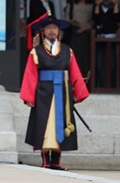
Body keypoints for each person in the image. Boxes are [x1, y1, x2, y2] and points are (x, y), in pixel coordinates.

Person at [20, 14, 89, 171]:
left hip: (63, 92)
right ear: (43, 32)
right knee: (45, 126)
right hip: (43, 92)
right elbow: (30, 74)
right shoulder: (36, 52)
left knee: (62, 124)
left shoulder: (67, 51)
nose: (52, 31)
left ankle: (56, 161)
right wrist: (29, 96)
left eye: (55, 28)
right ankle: (45, 160)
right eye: (49, 28)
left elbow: (74, 72)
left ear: (59, 32)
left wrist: (78, 93)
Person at [92, 0, 120, 88]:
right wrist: (97, 5)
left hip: (112, 38)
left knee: (113, 63)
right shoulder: (97, 5)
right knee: (99, 62)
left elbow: (117, 19)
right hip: (100, 38)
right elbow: (96, 19)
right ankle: (101, 84)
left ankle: (113, 85)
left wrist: (116, 3)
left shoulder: (115, 6)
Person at [63, 0, 93, 76]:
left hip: (87, 34)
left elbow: (94, 21)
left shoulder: (92, 5)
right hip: (74, 34)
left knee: (86, 58)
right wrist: (72, 22)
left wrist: (85, 28)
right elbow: (66, 19)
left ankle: (85, 80)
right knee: (74, 57)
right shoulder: (71, 4)